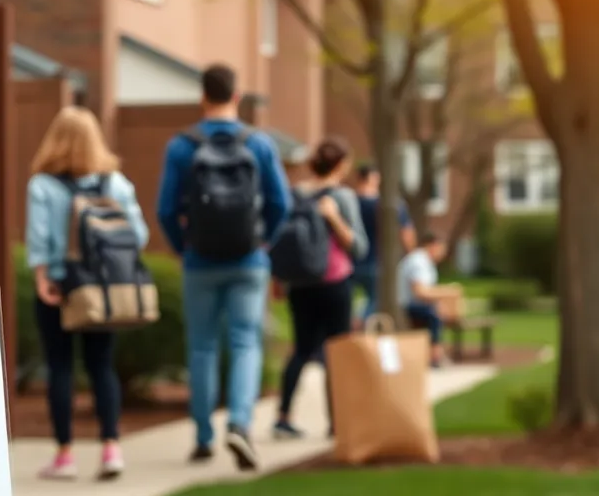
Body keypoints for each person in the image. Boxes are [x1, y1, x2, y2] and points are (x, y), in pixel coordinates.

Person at [156, 63, 291, 471]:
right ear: (237, 96)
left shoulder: (181, 146)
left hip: (200, 262)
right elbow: (281, 203)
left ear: (203, 96)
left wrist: (184, 247)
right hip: (249, 260)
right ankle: (240, 424)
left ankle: (202, 437)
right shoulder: (260, 144)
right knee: (246, 342)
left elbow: (165, 209)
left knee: (201, 347)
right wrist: (263, 241)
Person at [26, 106, 150, 481]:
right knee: (102, 366)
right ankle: (111, 448)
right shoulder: (115, 183)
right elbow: (138, 236)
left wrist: (42, 277)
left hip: (62, 285)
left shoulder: (42, 185)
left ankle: (64, 455)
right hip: (104, 288)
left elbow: (39, 238)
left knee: (60, 366)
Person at [274, 137, 367, 440]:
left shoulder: (294, 195)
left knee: (300, 350)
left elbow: (282, 241)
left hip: (299, 284)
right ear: (340, 165)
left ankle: (283, 416)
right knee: (337, 352)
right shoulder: (341, 197)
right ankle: (337, 421)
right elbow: (358, 247)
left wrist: (280, 279)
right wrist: (334, 219)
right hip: (334, 283)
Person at [352, 163, 415, 321]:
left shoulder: (349, 202)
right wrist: (410, 254)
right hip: (377, 261)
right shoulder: (390, 204)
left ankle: (347, 332)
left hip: (350, 261)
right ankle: (362, 328)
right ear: (375, 179)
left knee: (347, 301)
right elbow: (406, 233)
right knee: (375, 300)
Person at [397, 231, 450, 368]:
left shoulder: (424, 261)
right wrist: (447, 294)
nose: (443, 254)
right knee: (434, 314)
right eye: (441, 249)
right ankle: (435, 356)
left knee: (435, 311)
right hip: (407, 305)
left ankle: (435, 354)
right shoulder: (418, 262)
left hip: (413, 304)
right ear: (433, 246)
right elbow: (420, 292)